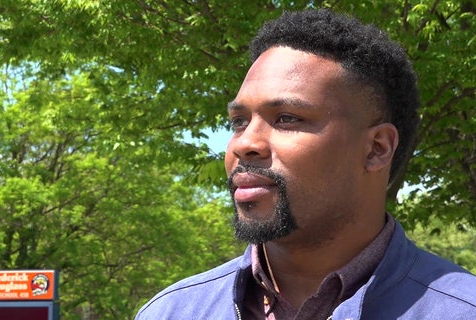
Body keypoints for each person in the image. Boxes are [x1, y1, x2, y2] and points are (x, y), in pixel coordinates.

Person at [136, 8, 476, 320]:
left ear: (376, 149)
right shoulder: (172, 311)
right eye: (239, 122)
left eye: (286, 118)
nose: (245, 144)